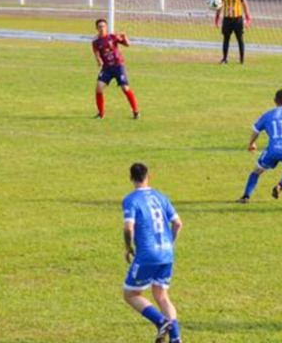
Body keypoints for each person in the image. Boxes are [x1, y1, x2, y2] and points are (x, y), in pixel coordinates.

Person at [122, 162, 184, 343]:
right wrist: (168, 243)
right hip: (167, 253)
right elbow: (178, 223)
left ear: (131, 178)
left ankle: (161, 321)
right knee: (162, 295)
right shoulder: (161, 196)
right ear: (149, 175)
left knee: (131, 294)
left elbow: (128, 228)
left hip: (148, 255)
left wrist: (128, 247)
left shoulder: (131, 200)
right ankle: (176, 339)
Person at [92, 18, 139, 119]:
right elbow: (96, 52)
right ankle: (101, 114)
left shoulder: (113, 37)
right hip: (107, 68)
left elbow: (127, 44)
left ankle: (136, 111)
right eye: (100, 27)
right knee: (99, 88)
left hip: (118, 66)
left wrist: (125, 37)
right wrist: (98, 60)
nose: (102, 28)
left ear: (106, 27)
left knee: (125, 88)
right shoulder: (95, 42)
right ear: (96, 28)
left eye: (103, 26)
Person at [214, 0, 251, 64]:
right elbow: (219, 5)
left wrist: (248, 17)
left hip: (238, 19)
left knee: (240, 39)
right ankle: (225, 58)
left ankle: (242, 60)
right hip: (227, 19)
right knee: (226, 39)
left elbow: (245, 4)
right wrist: (217, 18)